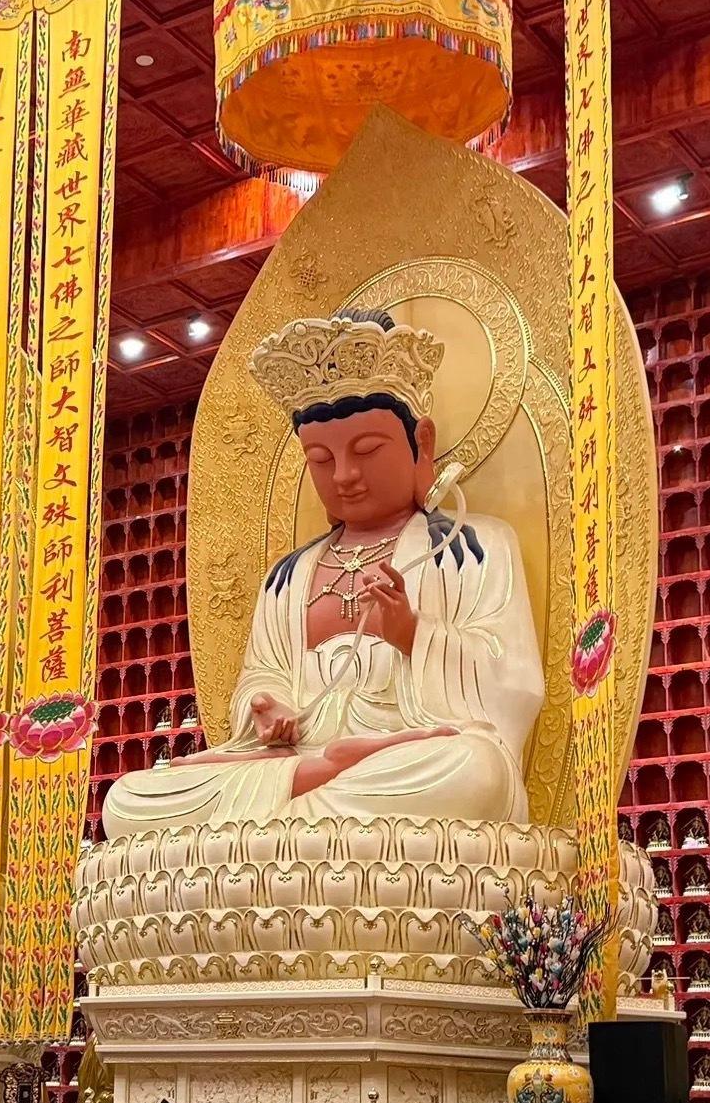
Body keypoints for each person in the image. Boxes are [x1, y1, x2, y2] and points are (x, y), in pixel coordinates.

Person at [100, 311, 541, 838]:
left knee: (474, 770)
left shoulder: (470, 547)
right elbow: (263, 676)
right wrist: (265, 708)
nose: (345, 475)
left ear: (421, 443)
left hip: (409, 756)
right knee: (129, 799)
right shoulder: (287, 578)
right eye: (321, 459)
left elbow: (512, 684)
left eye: (368, 450)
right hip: (297, 764)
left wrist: (412, 634)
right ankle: (320, 782)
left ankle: (280, 821)